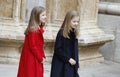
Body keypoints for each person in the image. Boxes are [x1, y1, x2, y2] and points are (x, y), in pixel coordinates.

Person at [17, 6, 47, 77]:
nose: (45, 17)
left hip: (36, 58)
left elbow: (39, 45)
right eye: (43, 15)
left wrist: (43, 56)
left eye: (45, 15)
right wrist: (40, 58)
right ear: (36, 16)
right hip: (32, 59)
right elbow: (33, 46)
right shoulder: (33, 30)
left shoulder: (38, 29)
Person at [50, 10, 80, 77]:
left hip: (71, 64)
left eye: (77, 22)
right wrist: (68, 59)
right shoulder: (61, 33)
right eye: (74, 21)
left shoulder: (74, 33)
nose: (76, 23)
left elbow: (75, 50)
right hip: (61, 64)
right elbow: (57, 49)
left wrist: (77, 64)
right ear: (68, 21)